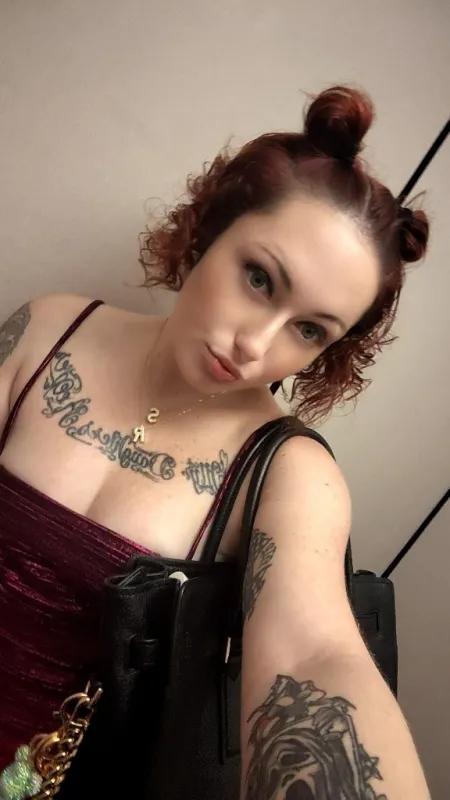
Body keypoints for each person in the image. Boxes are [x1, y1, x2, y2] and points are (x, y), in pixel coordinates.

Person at [0, 84, 431, 798]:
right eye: (259, 279)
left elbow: (315, 652)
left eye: (309, 329)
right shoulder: (47, 331)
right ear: (209, 228)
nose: (256, 344)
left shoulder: (290, 473)